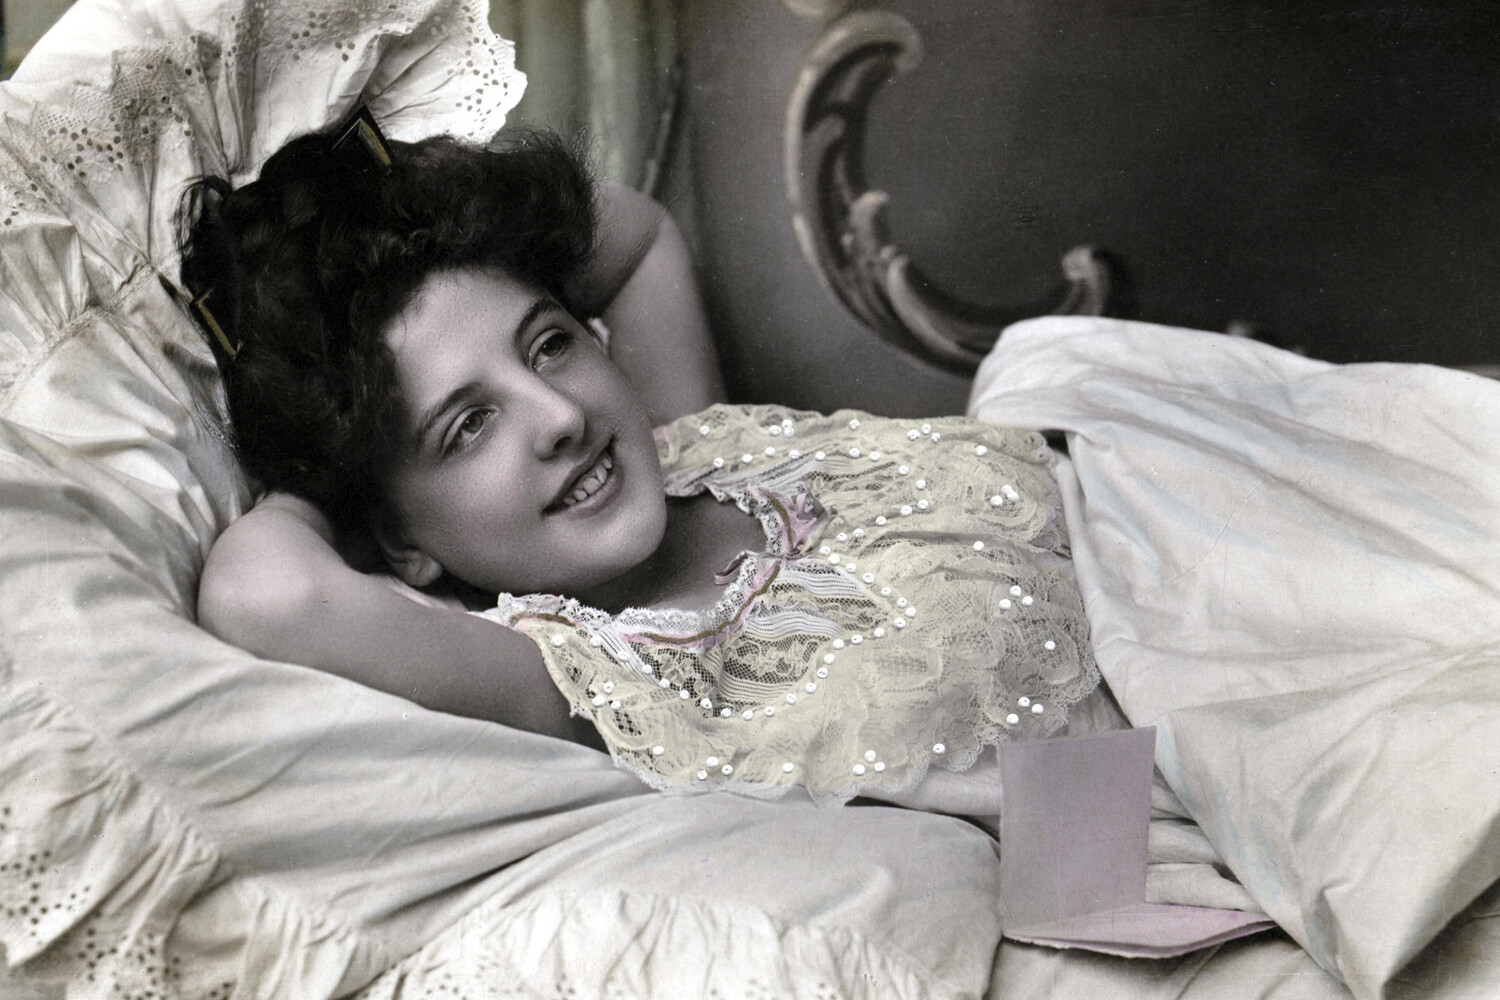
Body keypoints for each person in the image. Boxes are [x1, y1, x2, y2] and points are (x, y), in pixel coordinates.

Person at [180, 119, 1105, 807]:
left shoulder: (680, 434)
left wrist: (414, 207)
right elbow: (268, 596)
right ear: (399, 539)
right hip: (1120, 799)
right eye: (468, 426)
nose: (560, 416)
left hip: (1140, 527)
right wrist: (325, 450)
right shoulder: (576, 679)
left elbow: (636, 234)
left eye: (549, 344)